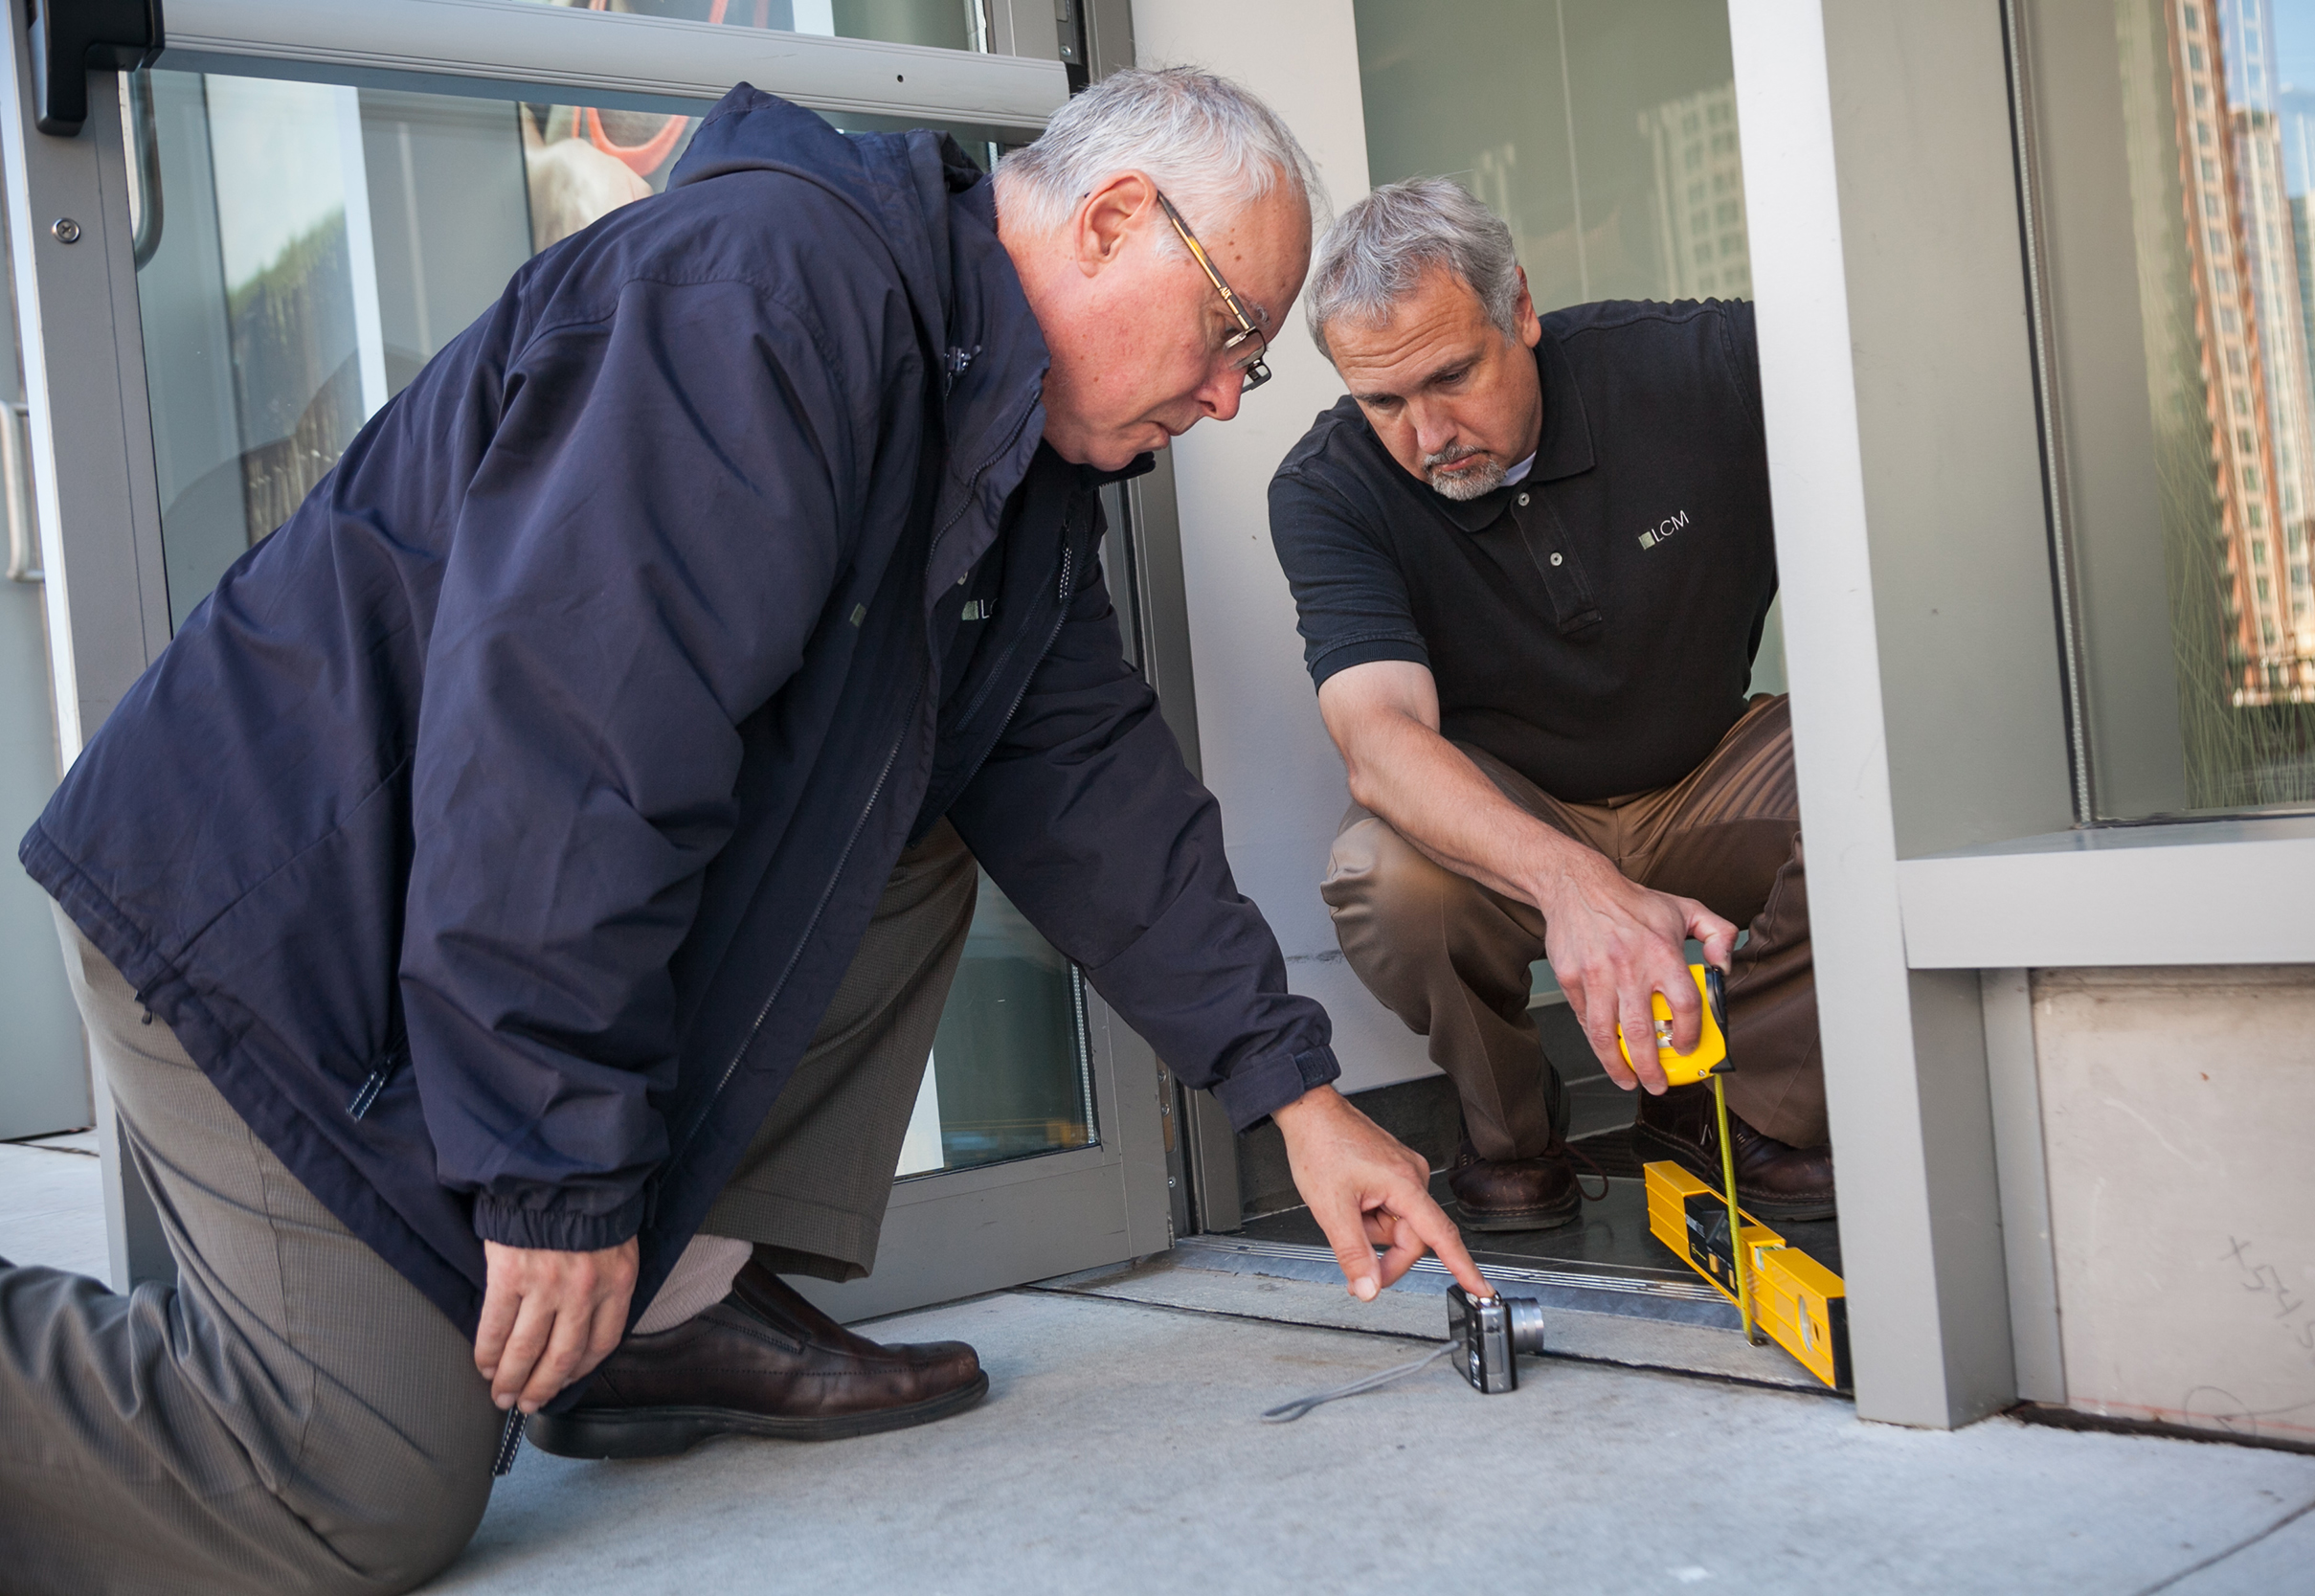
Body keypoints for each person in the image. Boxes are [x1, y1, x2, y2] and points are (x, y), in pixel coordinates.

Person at [0, 72, 1489, 1596]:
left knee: (912, 806)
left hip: (424, 908)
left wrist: (1295, 1093)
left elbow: (1091, 785)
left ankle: (668, 1309)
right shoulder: (764, 296)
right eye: (1234, 331)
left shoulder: (1009, 453)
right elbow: (570, 741)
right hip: (271, 909)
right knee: (357, 1479)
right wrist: (557, 1178)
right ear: (1115, 222)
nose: (1234, 392)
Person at [1268, 178, 1831, 1235]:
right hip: (1518, 819)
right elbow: (1381, 742)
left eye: (1451, 375)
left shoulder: (1698, 368)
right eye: (1383, 400)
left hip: (1708, 770)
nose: (1428, 433)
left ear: (1518, 308)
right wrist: (1576, 884)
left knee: (1874, 765)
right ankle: (1514, 1142)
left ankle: (1731, 1102)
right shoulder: (1327, 487)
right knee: (1383, 877)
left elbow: (1887, 369)